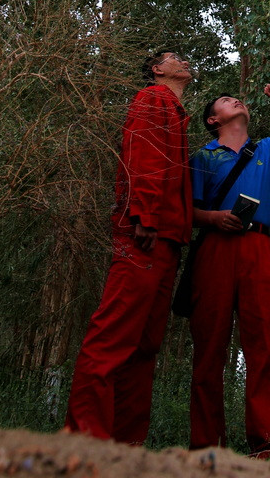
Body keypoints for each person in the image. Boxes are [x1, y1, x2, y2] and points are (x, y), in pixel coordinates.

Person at [64, 50, 194, 443]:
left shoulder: (177, 112)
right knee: (113, 337)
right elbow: (144, 156)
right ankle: (84, 441)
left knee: (145, 346)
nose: (184, 62)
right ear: (158, 70)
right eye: (174, 58)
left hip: (168, 239)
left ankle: (126, 446)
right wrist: (144, 214)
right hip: (144, 233)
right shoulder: (151, 98)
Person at [188, 81, 270, 455]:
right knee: (209, 349)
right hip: (214, 249)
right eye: (226, 101)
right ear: (214, 119)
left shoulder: (267, 148)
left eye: (236, 98)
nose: (235, 99)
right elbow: (187, 212)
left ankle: (267, 443)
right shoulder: (204, 157)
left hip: (258, 248)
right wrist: (214, 218)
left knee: (262, 345)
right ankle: (205, 447)